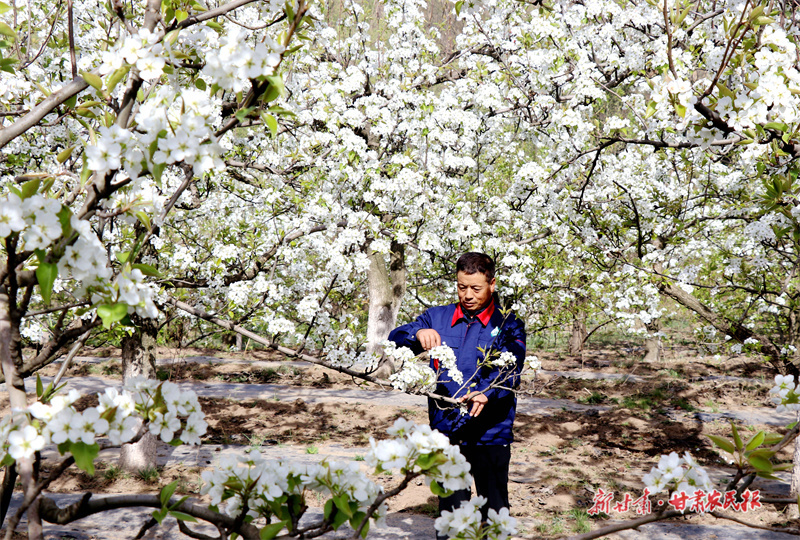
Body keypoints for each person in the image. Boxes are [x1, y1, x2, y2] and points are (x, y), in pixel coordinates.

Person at [387, 252, 526, 531]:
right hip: (447, 431)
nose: (468, 295)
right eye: (462, 287)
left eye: (476, 288)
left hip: (491, 433)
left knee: (494, 513)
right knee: (452, 516)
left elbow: (512, 366)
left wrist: (486, 391)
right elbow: (395, 339)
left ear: (492, 284)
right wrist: (416, 336)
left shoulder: (508, 324)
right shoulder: (437, 317)